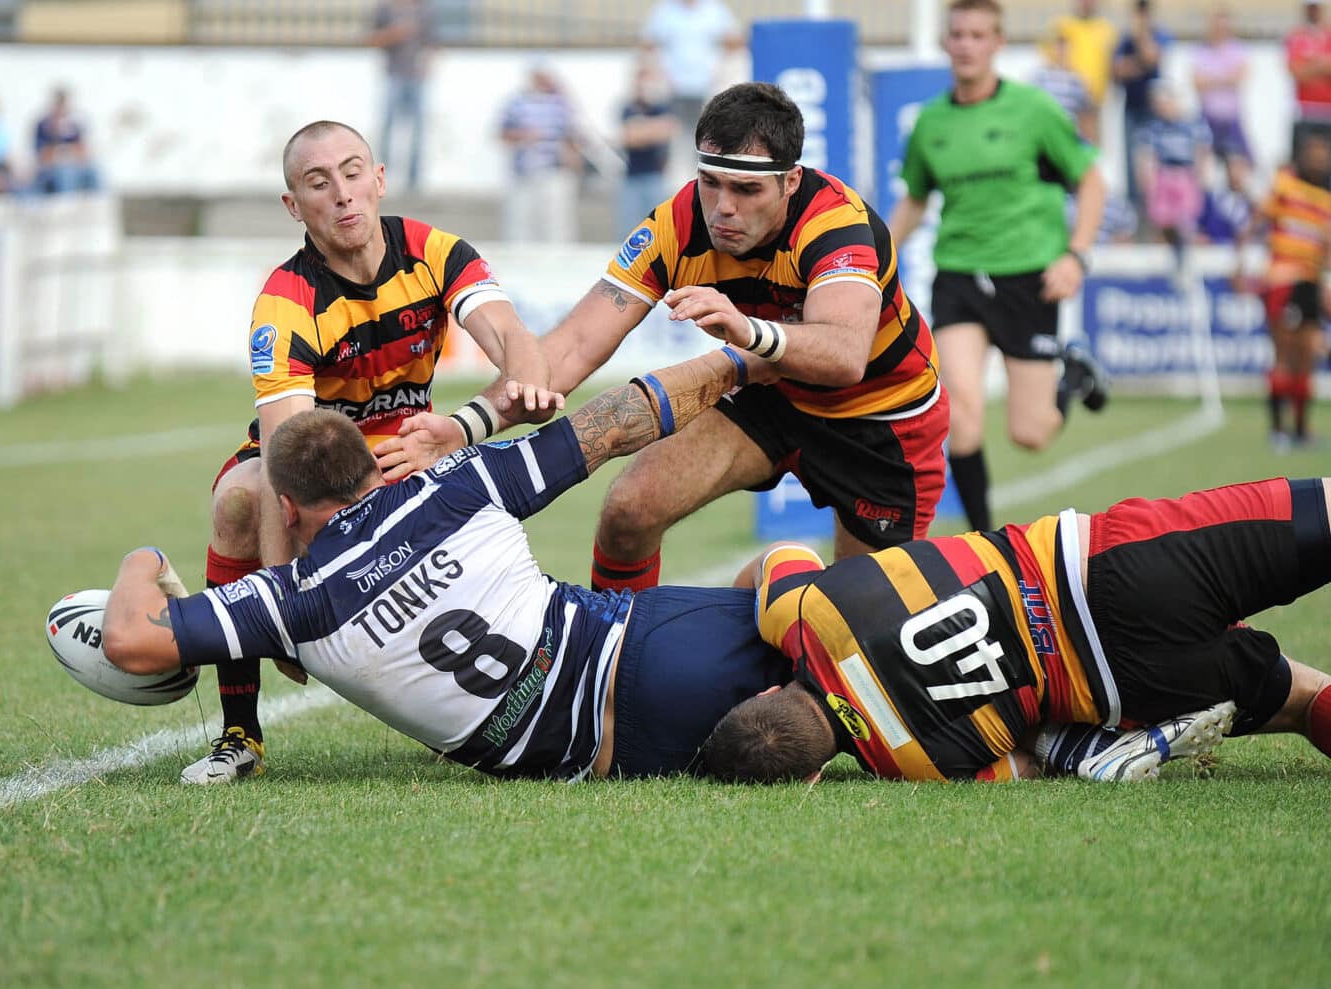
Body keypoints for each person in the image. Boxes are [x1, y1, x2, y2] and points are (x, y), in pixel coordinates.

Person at [102, 347, 795, 781]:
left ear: (287, 509)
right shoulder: (458, 484)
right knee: (795, 593)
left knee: (814, 703)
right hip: (648, 639)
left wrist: (146, 558)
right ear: (371, 466)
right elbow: (614, 421)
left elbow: (130, 640)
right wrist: (745, 362)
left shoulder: (293, 603)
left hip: (610, 747)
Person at [382, 81, 948, 592]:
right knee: (630, 510)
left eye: (746, 190)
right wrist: (466, 425)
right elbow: (575, 344)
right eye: (710, 183)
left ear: (790, 182)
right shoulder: (678, 223)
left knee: (853, 615)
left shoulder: (835, 223)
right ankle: (616, 668)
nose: (723, 208)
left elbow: (845, 354)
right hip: (774, 399)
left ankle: (766, 587)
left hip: (882, 421)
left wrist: (746, 329)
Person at [182, 120, 554, 784]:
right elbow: (285, 455)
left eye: (354, 173)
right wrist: (281, 604)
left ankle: (512, 694)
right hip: (320, 470)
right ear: (294, 206)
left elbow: (506, 332)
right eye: (319, 183)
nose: (343, 195)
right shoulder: (285, 301)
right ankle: (240, 731)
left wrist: (520, 382)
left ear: (379, 179)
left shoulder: (434, 251)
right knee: (236, 500)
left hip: (412, 456)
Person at [701, 477, 1331, 784]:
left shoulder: (913, 767)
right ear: (763, 695)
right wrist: (753, 624)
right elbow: (778, 554)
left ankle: (1094, 748)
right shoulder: (803, 613)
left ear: (811, 777)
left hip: (1124, 688)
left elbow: (1022, 765)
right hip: (1110, 567)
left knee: (1306, 702)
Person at [888, 0, 1108, 536]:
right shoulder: (930, 124)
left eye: (978, 35)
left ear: (997, 43)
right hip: (959, 276)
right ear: (946, 43)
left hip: (1028, 277)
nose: (966, 44)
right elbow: (915, 201)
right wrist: (873, 258)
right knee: (957, 410)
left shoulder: (1034, 110)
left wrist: (1075, 254)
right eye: (957, 34)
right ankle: (984, 541)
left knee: (1031, 433)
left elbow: (1092, 181)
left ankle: (1070, 377)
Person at [1235, 133, 1331, 449]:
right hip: (1282, 281)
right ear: (1302, 156)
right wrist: (1241, 266)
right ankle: (1278, 429)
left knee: (1306, 357)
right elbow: (1254, 224)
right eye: (1315, 152)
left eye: (1324, 154)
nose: (1320, 159)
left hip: (1310, 284)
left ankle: (1301, 430)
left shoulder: (1325, 202)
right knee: (1283, 355)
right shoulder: (1284, 186)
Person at [640, 0, 742, 177]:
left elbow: (735, 40)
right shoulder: (664, 10)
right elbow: (648, 43)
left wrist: (721, 68)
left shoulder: (714, 9)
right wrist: (659, 70)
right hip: (675, 90)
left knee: (709, 140)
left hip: (707, 89)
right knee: (677, 145)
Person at [1134, 79, 1212, 272]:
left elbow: (1201, 153)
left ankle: (1184, 258)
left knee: (1185, 220)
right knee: (1163, 218)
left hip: (1184, 177)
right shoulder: (1153, 128)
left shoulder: (1192, 125)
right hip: (1164, 177)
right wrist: (1147, 183)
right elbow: (1147, 158)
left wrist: (1200, 179)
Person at [498, 64, 581, 244]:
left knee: (557, 226)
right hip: (524, 173)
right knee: (521, 226)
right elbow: (502, 133)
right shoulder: (517, 102)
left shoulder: (561, 103)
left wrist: (573, 158)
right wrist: (523, 135)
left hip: (554, 171)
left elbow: (573, 134)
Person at [1113, 0, 1172, 227]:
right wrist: (1140, 64)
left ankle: (1158, 219)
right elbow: (1117, 70)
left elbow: (1152, 57)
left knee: (1155, 167)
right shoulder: (1124, 39)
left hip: (1153, 111)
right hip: (1131, 109)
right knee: (1131, 166)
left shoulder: (1158, 35)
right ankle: (1135, 220)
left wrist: (1141, 37)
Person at [368, 0, 432, 192]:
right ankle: (382, 176)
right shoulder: (385, 8)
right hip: (393, 75)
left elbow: (432, 43)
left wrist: (427, 64)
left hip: (417, 77)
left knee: (418, 130)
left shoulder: (425, 10)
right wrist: (395, 33)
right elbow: (372, 39)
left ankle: (414, 180)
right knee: (387, 127)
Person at [1191, 7, 1251, 195]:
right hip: (1208, 117)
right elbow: (1197, 83)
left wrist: (1212, 78)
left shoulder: (1238, 49)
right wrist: (1225, 77)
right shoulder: (1201, 50)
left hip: (1230, 117)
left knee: (1238, 170)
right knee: (1203, 172)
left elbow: (1240, 78)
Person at [615, 59, 677, 240]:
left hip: (656, 175)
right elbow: (629, 138)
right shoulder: (628, 107)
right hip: (631, 177)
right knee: (628, 230)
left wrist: (641, 130)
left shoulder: (662, 106)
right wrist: (651, 130)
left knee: (657, 230)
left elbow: (667, 130)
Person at [1048, 0, 1117, 131]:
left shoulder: (1106, 29)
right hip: (1067, 101)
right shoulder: (1062, 26)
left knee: (1091, 145)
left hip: (1095, 101)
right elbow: (1051, 59)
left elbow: (1111, 64)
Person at [1033, 28, 1098, 145]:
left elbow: (1087, 114)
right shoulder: (1040, 77)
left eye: (1064, 47)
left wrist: (1089, 142)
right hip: (1047, 137)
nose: (1061, 51)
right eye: (1058, 47)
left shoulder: (1077, 80)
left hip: (1070, 138)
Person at [32, 86, 100, 195]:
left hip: (74, 165)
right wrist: (55, 136)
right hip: (52, 169)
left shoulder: (74, 125)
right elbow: (42, 156)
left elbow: (83, 153)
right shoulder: (43, 126)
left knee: (95, 170)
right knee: (65, 173)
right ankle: (67, 208)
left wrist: (71, 151)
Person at [1286, 1, 1331, 156]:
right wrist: (1323, 64)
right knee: (1303, 159)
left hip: (1328, 110)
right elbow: (1296, 72)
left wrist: (1310, 64)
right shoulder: (1296, 36)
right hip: (1305, 110)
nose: (1313, 11)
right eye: (1311, 7)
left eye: (1316, 7)